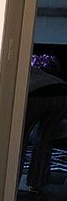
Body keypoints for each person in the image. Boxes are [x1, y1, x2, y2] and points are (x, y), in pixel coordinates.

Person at [20, 54, 67, 191]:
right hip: (61, 91)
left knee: (19, 139)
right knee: (44, 139)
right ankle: (36, 183)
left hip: (36, 95)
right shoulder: (37, 70)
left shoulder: (17, 68)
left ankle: (11, 183)